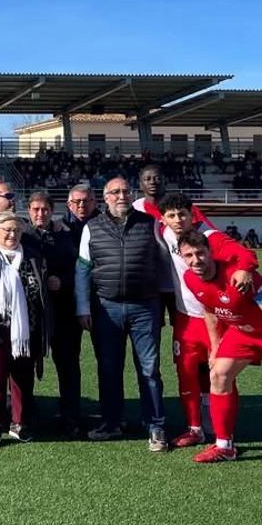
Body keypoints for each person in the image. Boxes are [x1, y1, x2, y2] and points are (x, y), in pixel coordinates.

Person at [177, 230, 262, 483]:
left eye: (200, 253)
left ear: (210, 253)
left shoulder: (239, 277)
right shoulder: (190, 278)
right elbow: (210, 309)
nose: (196, 260)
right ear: (182, 257)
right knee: (218, 375)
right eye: (189, 255)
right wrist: (215, 347)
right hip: (242, 331)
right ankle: (224, 446)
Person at [157, 193, 258, 448]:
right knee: (186, 373)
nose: (178, 220)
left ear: (193, 215)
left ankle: (226, 432)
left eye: (183, 214)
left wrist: (246, 268)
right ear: (163, 219)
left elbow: (244, 254)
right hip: (185, 319)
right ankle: (195, 429)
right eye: (172, 215)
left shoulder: (210, 238)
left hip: (217, 318)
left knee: (222, 373)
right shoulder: (165, 234)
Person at [76, 176, 168, 451]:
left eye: (126, 191)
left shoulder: (150, 224)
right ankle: (112, 421)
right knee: (108, 369)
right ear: (105, 198)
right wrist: (82, 307)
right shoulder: (92, 227)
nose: (121, 196)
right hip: (107, 308)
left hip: (145, 307)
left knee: (149, 369)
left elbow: (167, 263)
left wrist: (166, 303)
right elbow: (82, 270)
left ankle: (155, 424)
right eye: (115, 192)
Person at [0, 211, 50, 447]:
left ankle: (20, 423)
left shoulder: (32, 256)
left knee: (23, 380)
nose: (12, 234)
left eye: (16, 230)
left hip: (27, 330)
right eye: (7, 230)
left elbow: (41, 293)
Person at [23, 191, 82, 436]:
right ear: (28, 211)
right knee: (24, 364)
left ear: (52, 211)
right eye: (35, 209)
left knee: (67, 364)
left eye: (45, 209)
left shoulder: (64, 235)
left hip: (63, 311)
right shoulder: (22, 236)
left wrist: (63, 281)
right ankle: (26, 414)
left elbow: (79, 269)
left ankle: (71, 416)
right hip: (31, 312)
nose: (40, 214)